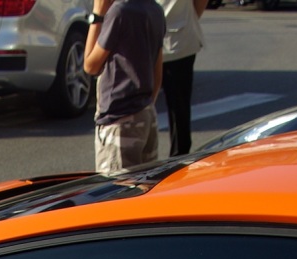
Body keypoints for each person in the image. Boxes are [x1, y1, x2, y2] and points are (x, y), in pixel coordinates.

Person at [83, 0, 165, 174]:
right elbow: (157, 71)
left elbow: (90, 65)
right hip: (146, 113)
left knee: (117, 194)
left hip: (119, 118)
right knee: (144, 190)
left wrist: (97, 15)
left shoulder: (119, 12)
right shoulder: (155, 9)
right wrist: (147, 103)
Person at [158, 0, 206, 156]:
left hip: (176, 43)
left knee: (178, 109)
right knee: (177, 108)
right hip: (174, 38)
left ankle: (178, 162)